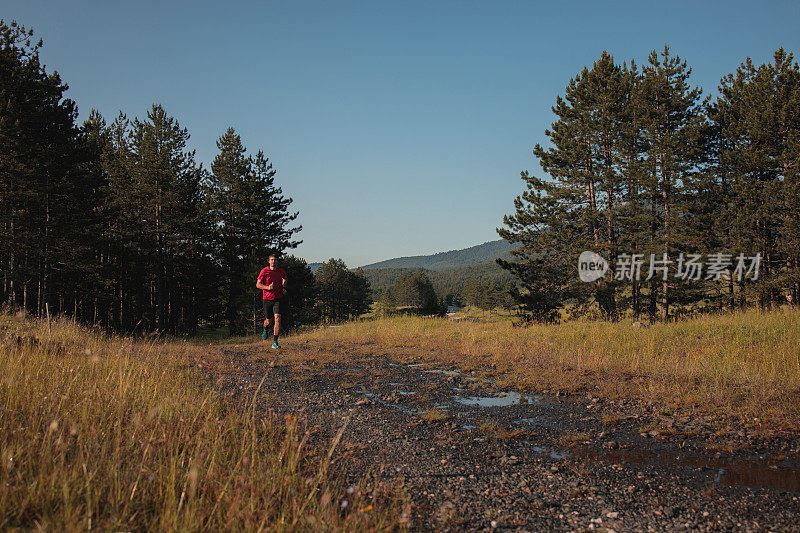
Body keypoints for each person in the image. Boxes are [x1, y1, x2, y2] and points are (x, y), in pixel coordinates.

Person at [256, 254, 287, 349]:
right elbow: (258, 284)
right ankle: (265, 328)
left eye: (275, 260)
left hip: (277, 298)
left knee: (277, 318)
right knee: (268, 321)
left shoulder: (281, 271)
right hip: (267, 299)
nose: (273, 261)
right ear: (269, 261)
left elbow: (285, 279)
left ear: (277, 261)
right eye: (272, 260)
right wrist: (267, 287)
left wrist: (284, 286)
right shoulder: (264, 271)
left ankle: (275, 342)